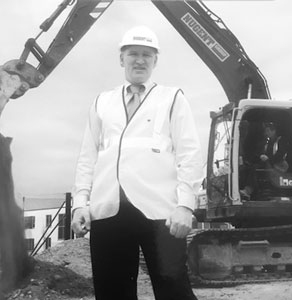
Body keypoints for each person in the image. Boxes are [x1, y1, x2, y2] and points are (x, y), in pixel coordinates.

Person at [71, 25, 203, 300]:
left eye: (147, 54)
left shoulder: (172, 98)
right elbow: (88, 157)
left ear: (156, 61)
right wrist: (80, 204)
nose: (140, 60)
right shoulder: (102, 102)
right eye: (133, 54)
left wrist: (185, 205)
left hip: (160, 213)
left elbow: (189, 153)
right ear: (122, 59)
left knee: (174, 291)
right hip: (108, 210)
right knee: (112, 292)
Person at [240, 121, 290, 199]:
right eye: (265, 131)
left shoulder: (281, 141)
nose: (266, 133)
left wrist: (269, 159)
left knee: (255, 168)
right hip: (269, 164)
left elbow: (281, 154)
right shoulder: (268, 142)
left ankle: (248, 190)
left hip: (279, 165)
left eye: (268, 131)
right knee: (249, 167)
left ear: (274, 131)